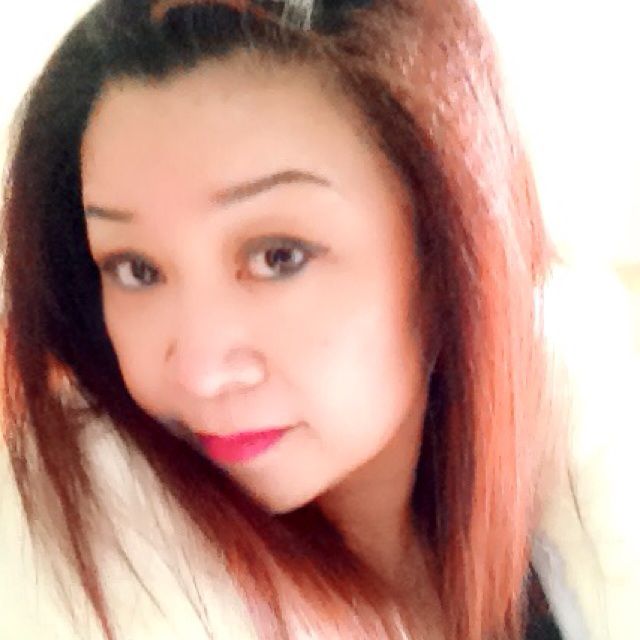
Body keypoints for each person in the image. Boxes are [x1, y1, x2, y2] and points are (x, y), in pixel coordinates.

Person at [0, 0, 577, 638]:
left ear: (446, 249)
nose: (199, 371)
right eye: (135, 268)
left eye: (278, 256)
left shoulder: (579, 539)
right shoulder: (69, 589)